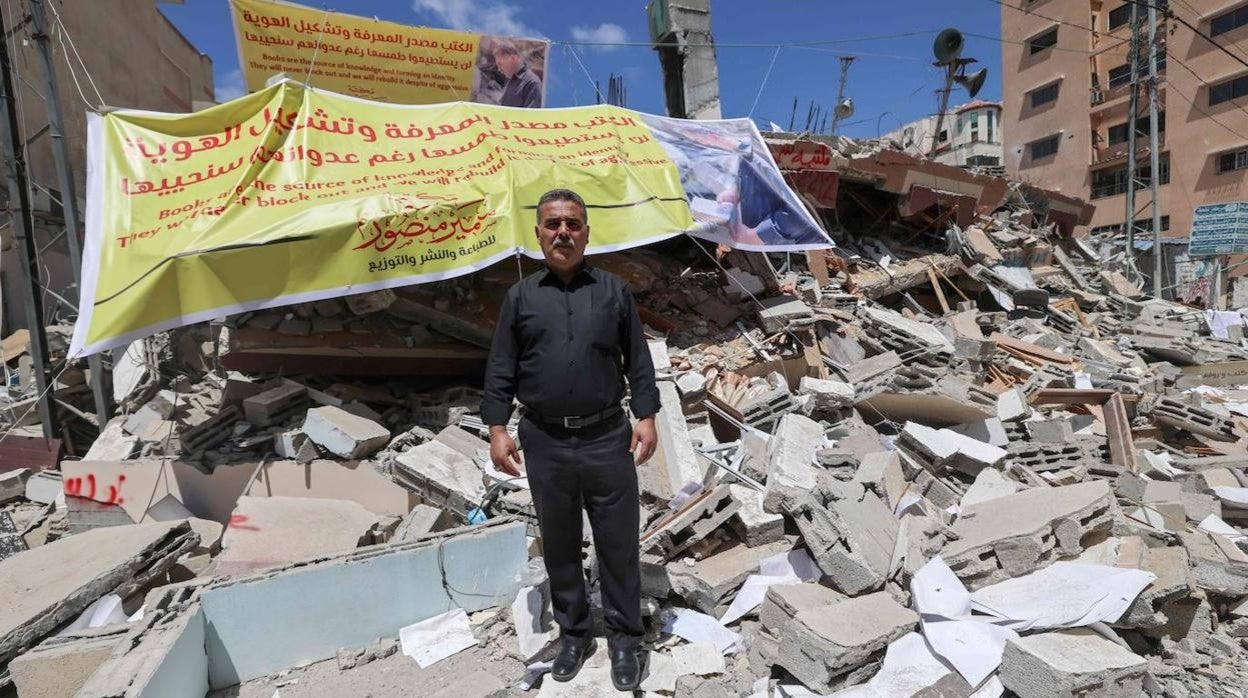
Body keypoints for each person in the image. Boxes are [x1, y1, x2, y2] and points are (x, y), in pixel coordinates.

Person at [482, 188, 659, 691]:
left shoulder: (613, 292)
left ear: (586, 232)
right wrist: (498, 429)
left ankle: (626, 639)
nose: (563, 232)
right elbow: (501, 368)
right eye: (553, 224)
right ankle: (575, 635)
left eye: (573, 224)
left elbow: (637, 361)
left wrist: (646, 416)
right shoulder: (520, 298)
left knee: (618, 542)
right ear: (538, 233)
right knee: (559, 543)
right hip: (545, 440)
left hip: (607, 437)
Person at [491, 39, 542, 108]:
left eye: (500, 64)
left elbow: (531, 117)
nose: (498, 69)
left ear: (513, 58)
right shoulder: (510, 78)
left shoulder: (532, 83)